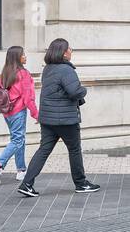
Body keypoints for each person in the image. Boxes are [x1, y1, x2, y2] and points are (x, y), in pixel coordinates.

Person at [17, 38, 100, 197]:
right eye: (70, 48)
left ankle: (26, 183)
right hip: (66, 119)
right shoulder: (66, 70)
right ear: (63, 52)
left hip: (48, 119)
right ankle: (81, 183)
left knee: (43, 150)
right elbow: (75, 91)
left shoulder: (48, 69)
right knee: (74, 149)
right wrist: (84, 90)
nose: (71, 51)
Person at [0, 45, 38, 184]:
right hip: (18, 112)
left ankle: (21, 170)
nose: (25, 56)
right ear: (17, 57)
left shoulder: (5, 73)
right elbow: (28, 98)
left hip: (7, 114)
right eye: (23, 54)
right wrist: (36, 114)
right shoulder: (24, 74)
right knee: (18, 140)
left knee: (18, 138)